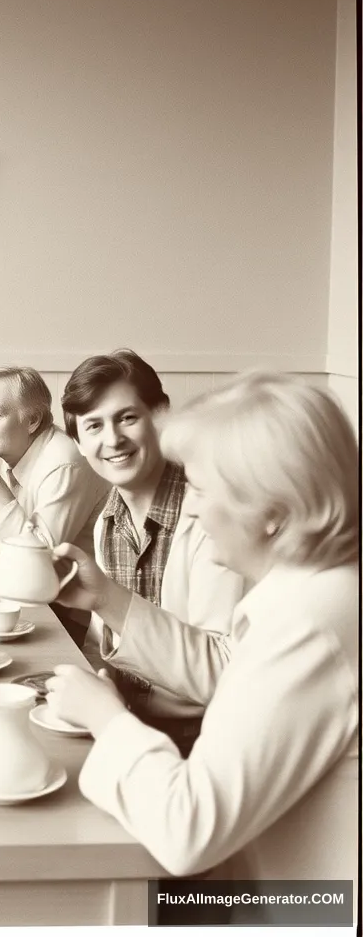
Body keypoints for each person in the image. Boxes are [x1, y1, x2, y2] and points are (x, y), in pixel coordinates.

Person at [45, 374, 358, 911]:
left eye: (204, 489)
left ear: (274, 512)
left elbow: (187, 829)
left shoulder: (306, 623)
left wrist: (106, 718)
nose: (190, 509)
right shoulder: (316, 593)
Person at [60, 350, 244, 754]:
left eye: (127, 417)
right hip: (128, 724)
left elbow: (226, 674)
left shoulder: (210, 515)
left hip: (202, 741)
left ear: (161, 417)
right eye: (93, 426)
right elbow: (102, 640)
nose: (112, 440)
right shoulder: (109, 518)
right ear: (78, 441)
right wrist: (101, 683)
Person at [0, 366, 109, 646]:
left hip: (75, 618)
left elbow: (36, 560)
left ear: (33, 419)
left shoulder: (64, 463)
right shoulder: (17, 448)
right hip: (36, 601)